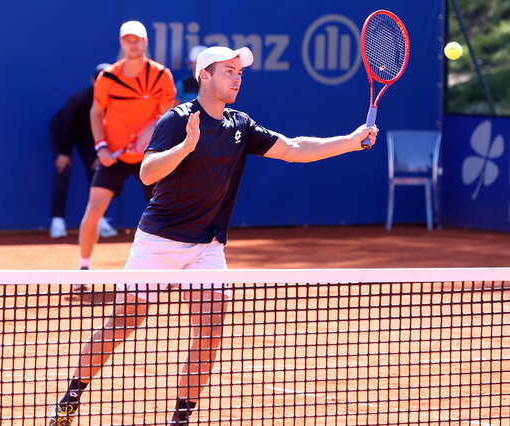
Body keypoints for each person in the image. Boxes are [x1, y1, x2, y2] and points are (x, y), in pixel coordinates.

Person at [49, 46, 378, 425]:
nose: (237, 78)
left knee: (209, 332)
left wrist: (351, 140)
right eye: (228, 71)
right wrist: (186, 146)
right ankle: (71, 397)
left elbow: (293, 148)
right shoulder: (177, 119)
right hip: (161, 242)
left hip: (208, 245)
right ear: (204, 75)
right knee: (124, 322)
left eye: (240, 73)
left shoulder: (241, 125)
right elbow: (147, 172)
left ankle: (181, 419)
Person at [77, 20, 176, 270]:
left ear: (145, 42)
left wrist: (148, 142)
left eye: (137, 40)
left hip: (149, 156)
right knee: (94, 210)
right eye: (128, 40)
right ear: (122, 43)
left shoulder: (161, 76)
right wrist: (101, 147)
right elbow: (96, 111)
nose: (133, 45)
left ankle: (174, 268)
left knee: (165, 213)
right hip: (113, 155)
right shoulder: (108, 77)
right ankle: (83, 268)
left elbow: (166, 117)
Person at [49, 63, 118, 239]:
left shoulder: (117, 100)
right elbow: (66, 126)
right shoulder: (79, 99)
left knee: (97, 170)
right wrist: (63, 153)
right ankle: (57, 222)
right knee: (63, 169)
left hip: (89, 136)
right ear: (93, 81)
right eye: (101, 79)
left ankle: (100, 220)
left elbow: (112, 128)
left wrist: (100, 153)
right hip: (64, 131)